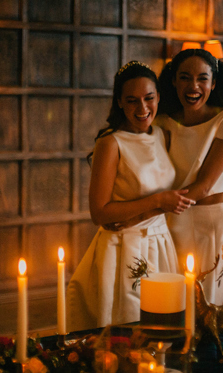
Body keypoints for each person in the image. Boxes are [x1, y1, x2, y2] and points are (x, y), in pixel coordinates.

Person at [66, 61, 195, 332]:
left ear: (159, 97)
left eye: (149, 99)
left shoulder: (161, 134)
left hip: (161, 243)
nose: (143, 108)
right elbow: (99, 213)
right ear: (119, 103)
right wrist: (158, 202)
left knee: (162, 327)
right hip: (123, 248)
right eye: (132, 101)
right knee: (126, 332)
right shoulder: (111, 143)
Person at [154, 48, 223, 306]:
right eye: (185, 77)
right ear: (173, 81)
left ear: (213, 83)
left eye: (202, 78)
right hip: (174, 221)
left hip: (215, 224)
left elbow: (204, 186)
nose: (193, 86)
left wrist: (154, 205)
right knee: (176, 303)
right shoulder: (163, 123)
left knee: (217, 303)